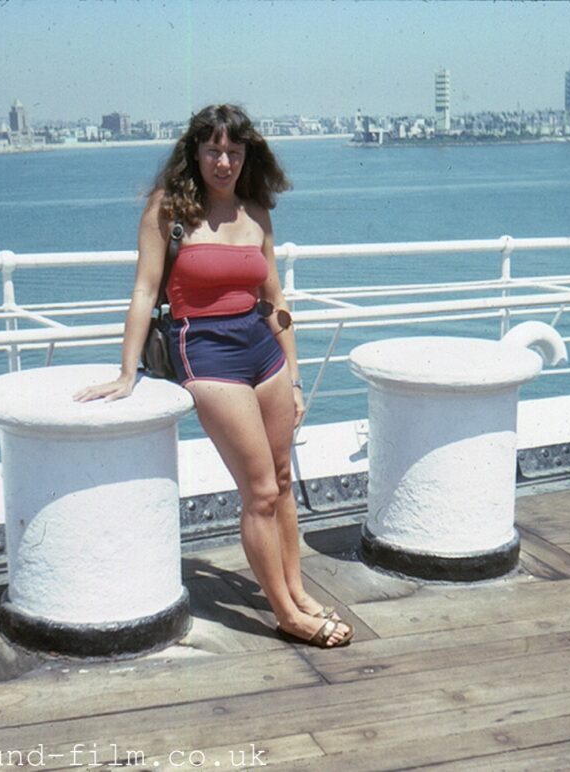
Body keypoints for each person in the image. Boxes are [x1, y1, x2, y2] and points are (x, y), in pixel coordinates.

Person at [74, 104, 353, 648]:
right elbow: (142, 291)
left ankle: (296, 590)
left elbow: (276, 303)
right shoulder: (169, 210)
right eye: (213, 150)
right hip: (204, 351)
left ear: (248, 155)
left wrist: (294, 374)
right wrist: (127, 371)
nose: (223, 161)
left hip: (262, 348)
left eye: (234, 151)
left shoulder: (256, 212)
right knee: (259, 492)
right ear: (195, 153)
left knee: (283, 480)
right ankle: (287, 616)